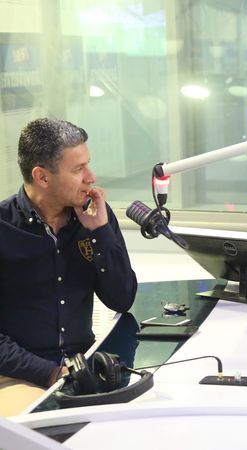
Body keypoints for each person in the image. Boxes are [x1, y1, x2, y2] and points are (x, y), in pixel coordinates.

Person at [0, 118, 138, 416]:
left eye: (88, 165)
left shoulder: (96, 216)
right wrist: (51, 372)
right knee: (43, 429)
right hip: (17, 375)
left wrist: (100, 232)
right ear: (42, 177)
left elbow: (122, 299)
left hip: (84, 367)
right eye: (78, 169)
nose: (91, 177)